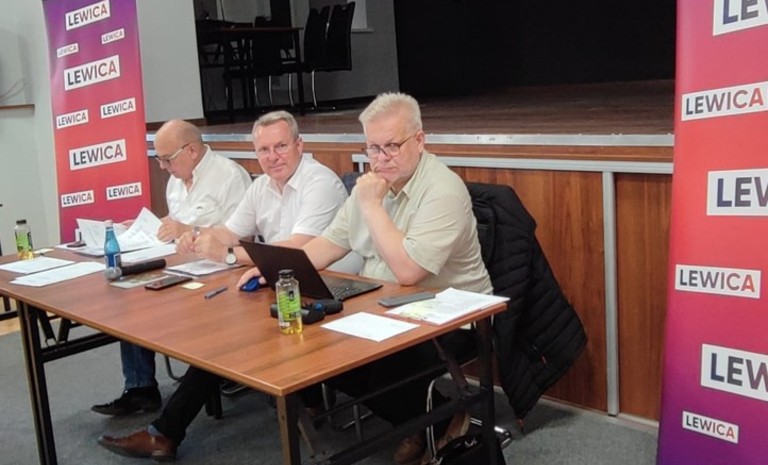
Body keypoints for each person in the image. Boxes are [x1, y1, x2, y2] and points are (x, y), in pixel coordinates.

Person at [97, 110, 349, 461]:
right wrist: (199, 235)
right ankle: (165, 432)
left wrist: (228, 255)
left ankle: (165, 432)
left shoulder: (319, 182)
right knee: (221, 330)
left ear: (299, 145)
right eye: (263, 150)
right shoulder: (262, 186)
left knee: (230, 337)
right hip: (281, 284)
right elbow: (230, 231)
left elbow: (296, 249)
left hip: (333, 289)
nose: (272, 157)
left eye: (280, 146)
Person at [300, 92, 493, 465]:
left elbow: (409, 272)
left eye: (391, 146)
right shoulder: (372, 185)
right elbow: (330, 243)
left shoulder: (443, 189)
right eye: (373, 148)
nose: (380, 158)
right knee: (324, 356)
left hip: (445, 312)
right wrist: (281, 268)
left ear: (419, 140)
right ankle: (424, 422)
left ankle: (442, 419)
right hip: (384, 306)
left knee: (381, 374)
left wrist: (372, 206)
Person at [91, 119, 252, 417]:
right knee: (134, 298)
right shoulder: (176, 180)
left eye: (167, 159)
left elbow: (244, 236)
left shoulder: (229, 176)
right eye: (159, 160)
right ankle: (140, 388)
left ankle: (212, 374)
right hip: (181, 265)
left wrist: (189, 229)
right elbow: (174, 222)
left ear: (191, 150)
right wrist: (146, 225)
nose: (163, 167)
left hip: (222, 270)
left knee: (163, 301)